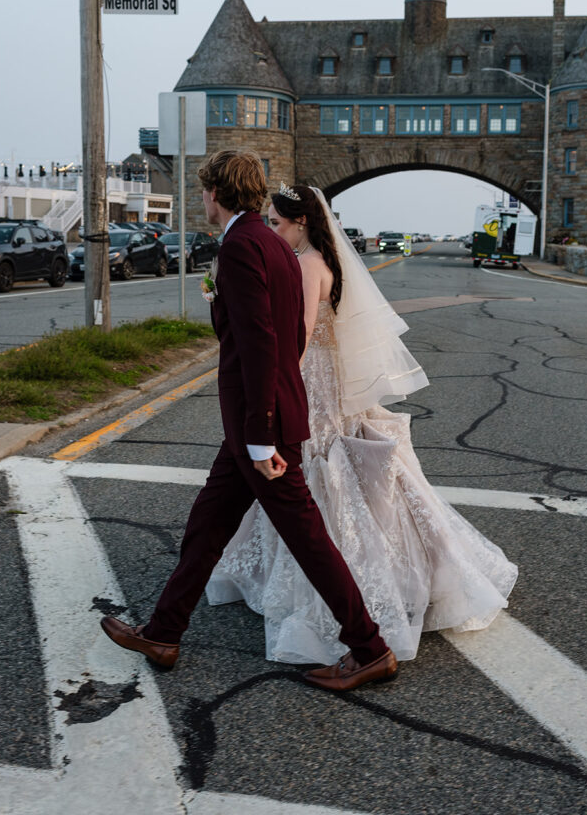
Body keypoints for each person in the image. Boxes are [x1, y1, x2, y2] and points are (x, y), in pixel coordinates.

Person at [100, 152, 397, 692]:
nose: (204, 201)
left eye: (205, 191)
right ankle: (164, 633)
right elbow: (289, 337)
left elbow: (262, 345)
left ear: (216, 192)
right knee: (208, 524)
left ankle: (370, 648)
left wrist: (261, 435)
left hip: (259, 425)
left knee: (307, 537)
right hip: (260, 420)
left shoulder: (240, 246)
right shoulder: (273, 245)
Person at [207, 183, 518, 664]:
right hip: (329, 378)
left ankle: (347, 608)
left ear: (302, 222)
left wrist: (273, 381)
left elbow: (300, 336)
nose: (273, 230)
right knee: (321, 472)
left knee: (316, 473)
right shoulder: (324, 262)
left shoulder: (308, 265)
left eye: (277, 222)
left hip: (309, 377)